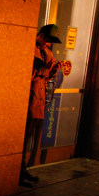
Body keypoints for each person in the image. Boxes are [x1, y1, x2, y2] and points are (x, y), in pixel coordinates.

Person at [21, 24, 62, 187]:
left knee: (29, 136)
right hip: (30, 98)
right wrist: (44, 69)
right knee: (24, 136)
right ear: (42, 36)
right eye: (48, 40)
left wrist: (53, 70)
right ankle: (18, 171)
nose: (49, 44)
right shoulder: (31, 48)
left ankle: (23, 169)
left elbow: (47, 76)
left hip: (39, 98)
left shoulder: (47, 52)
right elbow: (30, 74)